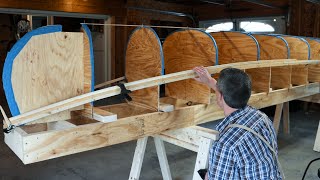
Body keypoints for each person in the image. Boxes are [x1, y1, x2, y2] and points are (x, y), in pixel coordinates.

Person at [193, 66, 283, 180]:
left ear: (220, 96)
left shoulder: (225, 144)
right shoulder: (263, 119)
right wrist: (210, 81)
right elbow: (230, 91)